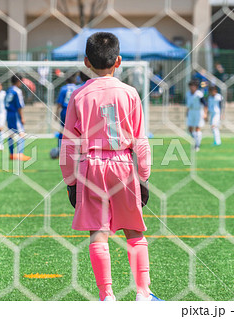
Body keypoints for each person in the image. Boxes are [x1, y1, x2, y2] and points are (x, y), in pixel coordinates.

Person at [60, 32, 162, 301]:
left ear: (86, 61)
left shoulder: (78, 96)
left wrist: (70, 180)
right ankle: (143, 294)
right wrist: (143, 177)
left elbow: (69, 143)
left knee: (98, 231)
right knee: (135, 230)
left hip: (91, 166)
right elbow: (140, 139)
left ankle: (107, 297)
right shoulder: (130, 93)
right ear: (118, 61)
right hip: (123, 163)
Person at [5, 75, 31, 161]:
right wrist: (22, 117)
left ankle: (12, 154)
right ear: (18, 81)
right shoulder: (18, 91)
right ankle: (20, 154)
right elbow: (20, 106)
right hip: (15, 114)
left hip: (8, 114)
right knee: (21, 133)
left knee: (11, 133)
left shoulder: (9, 90)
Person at [56, 74, 77, 146]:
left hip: (65, 111)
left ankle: (60, 147)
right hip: (75, 111)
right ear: (74, 80)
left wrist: (56, 113)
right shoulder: (77, 88)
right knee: (75, 130)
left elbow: (59, 102)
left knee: (62, 129)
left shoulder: (63, 88)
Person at [186, 80, 207, 152]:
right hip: (191, 111)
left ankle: (197, 145)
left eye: (193, 86)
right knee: (189, 129)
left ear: (196, 87)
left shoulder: (199, 94)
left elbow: (205, 104)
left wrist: (205, 113)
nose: (191, 88)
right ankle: (196, 140)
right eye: (190, 86)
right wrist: (187, 112)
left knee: (197, 128)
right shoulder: (188, 94)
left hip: (198, 112)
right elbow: (188, 104)